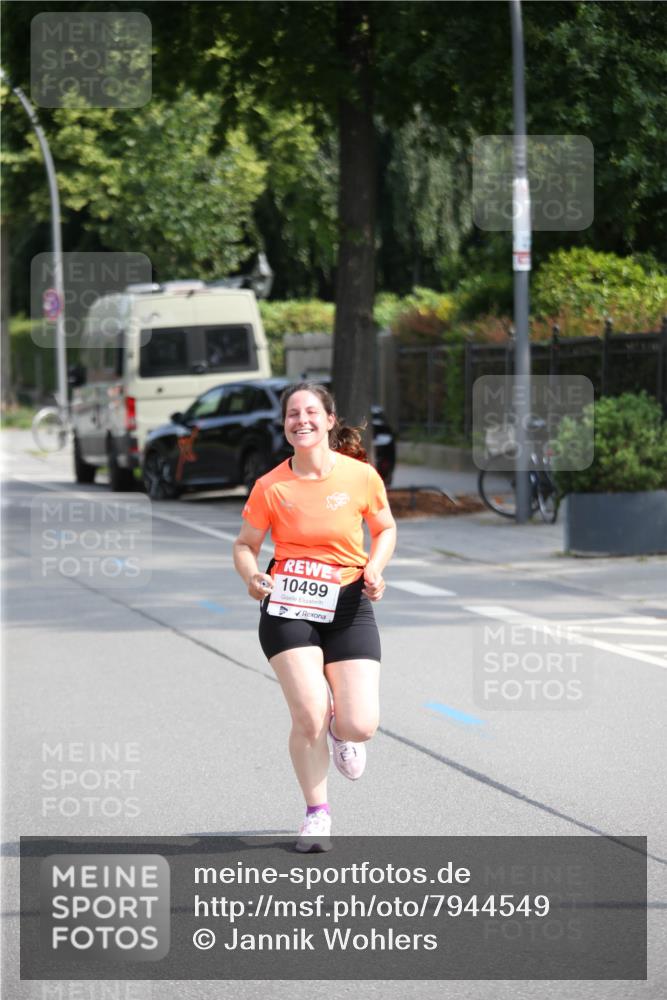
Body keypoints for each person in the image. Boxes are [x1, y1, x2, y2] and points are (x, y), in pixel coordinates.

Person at [233, 382, 397, 852]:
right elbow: (245, 545)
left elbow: (384, 528)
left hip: (347, 604)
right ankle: (316, 814)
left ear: (329, 420)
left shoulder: (360, 477)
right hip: (288, 606)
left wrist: (375, 568)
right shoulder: (270, 486)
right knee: (307, 714)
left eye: (310, 412)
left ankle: (343, 733)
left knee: (360, 722)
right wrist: (251, 577)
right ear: (284, 426)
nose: (300, 420)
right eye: (291, 415)